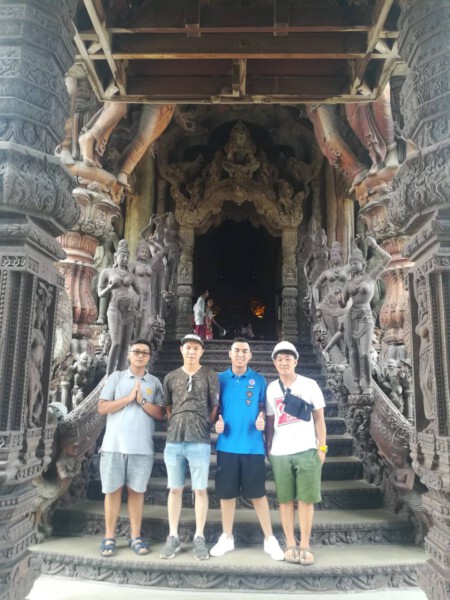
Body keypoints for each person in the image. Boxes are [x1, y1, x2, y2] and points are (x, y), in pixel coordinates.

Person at [210, 338, 284, 561]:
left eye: (244, 351)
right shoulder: (219, 379)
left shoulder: (259, 380)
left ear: (250, 355)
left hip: (253, 447)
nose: (240, 354)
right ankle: (226, 536)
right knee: (226, 494)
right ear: (229, 354)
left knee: (258, 494)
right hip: (227, 445)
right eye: (237, 351)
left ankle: (269, 538)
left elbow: (263, 409)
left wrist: (261, 418)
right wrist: (215, 425)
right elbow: (213, 409)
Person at [97, 339, 164, 557]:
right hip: (113, 445)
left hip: (142, 447)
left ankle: (135, 536)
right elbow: (102, 407)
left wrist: (142, 401)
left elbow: (161, 413)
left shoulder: (154, 382)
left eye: (145, 352)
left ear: (149, 357)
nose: (140, 355)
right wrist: (128, 399)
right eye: (136, 351)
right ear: (129, 354)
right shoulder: (116, 378)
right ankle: (109, 536)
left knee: (137, 492)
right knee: (112, 491)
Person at [266, 341, 327, 566]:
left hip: (307, 450)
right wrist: (268, 448)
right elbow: (270, 421)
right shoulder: (271, 389)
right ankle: (290, 542)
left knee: (306, 499)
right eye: (280, 359)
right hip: (280, 452)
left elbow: (319, 419)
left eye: (288, 359)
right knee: (284, 500)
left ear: (296, 362)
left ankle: (305, 545)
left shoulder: (309, 385)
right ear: (275, 363)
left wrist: (322, 447)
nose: (284, 363)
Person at [161, 333, 219, 560]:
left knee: (200, 489)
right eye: (188, 347)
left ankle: (199, 536)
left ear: (201, 351)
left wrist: (204, 424)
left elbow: (215, 406)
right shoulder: (170, 377)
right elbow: (167, 406)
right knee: (175, 488)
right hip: (174, 440)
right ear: (182, 350)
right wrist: (175, 421)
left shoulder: (210, 375)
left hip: (199, 440)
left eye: (196, 348)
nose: (192, 351)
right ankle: (173, 535)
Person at [97, 240, 142, 375]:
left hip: (130, 311)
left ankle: (120, 373)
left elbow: (139, 292)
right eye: (122, 256)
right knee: (116, 343)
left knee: (125, 344)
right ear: (116, 257)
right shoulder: (107, 272)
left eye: (127, 256)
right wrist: (110, 287)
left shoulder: (131, 275)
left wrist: (139, 308)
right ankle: (109, 374)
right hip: (114, 308)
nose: (125, 259)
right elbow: (100, 294)